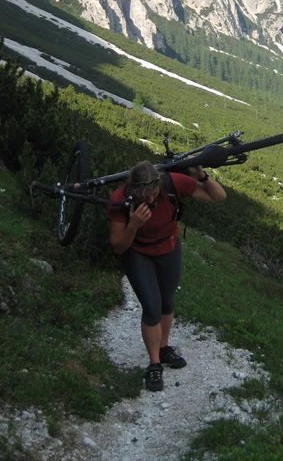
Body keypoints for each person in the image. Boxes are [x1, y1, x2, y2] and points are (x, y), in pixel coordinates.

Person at [108, 159, 226, 392]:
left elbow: (218, 197)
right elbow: (118, 246)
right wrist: (133, 225)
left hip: (168, 248)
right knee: (151, 308)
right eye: (144, 195)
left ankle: (163, 348)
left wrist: (201, 176)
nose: (150, 199)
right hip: (138, 253)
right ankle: (154, 364)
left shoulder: (172, 183)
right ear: (133, 190)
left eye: (153, 193)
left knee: (167, 301)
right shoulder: (119, 199)